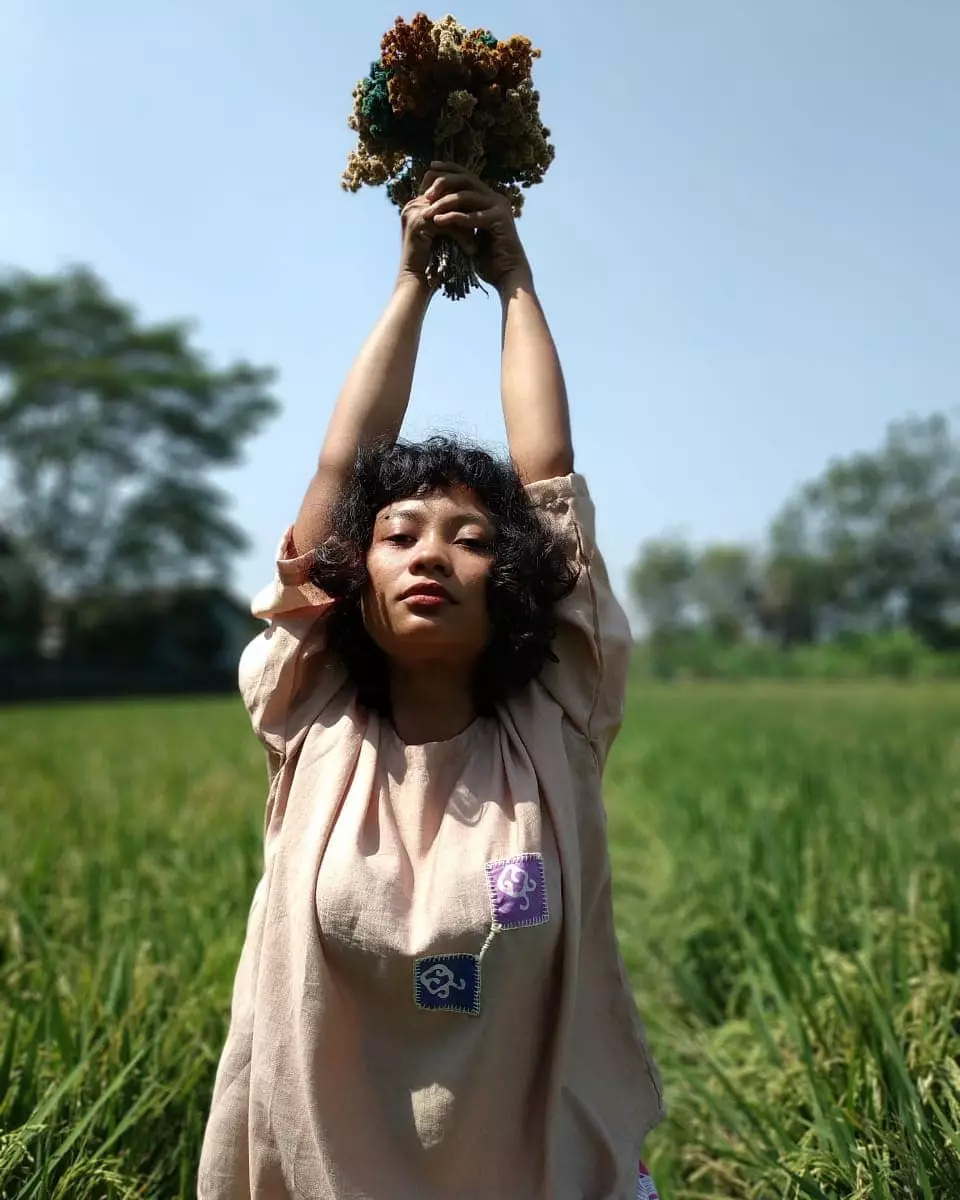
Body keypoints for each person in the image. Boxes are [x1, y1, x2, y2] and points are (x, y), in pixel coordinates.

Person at [198, 163, 664, 1200]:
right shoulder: (309, 716)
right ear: (348, 581)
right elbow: (335, 473)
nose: (427, 555)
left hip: (530, 1169)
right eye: (398, 535)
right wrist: (411, 280)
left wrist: (515, 282)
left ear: (512, 585)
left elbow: (551, 476)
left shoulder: (556, 720)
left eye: (467, 541)